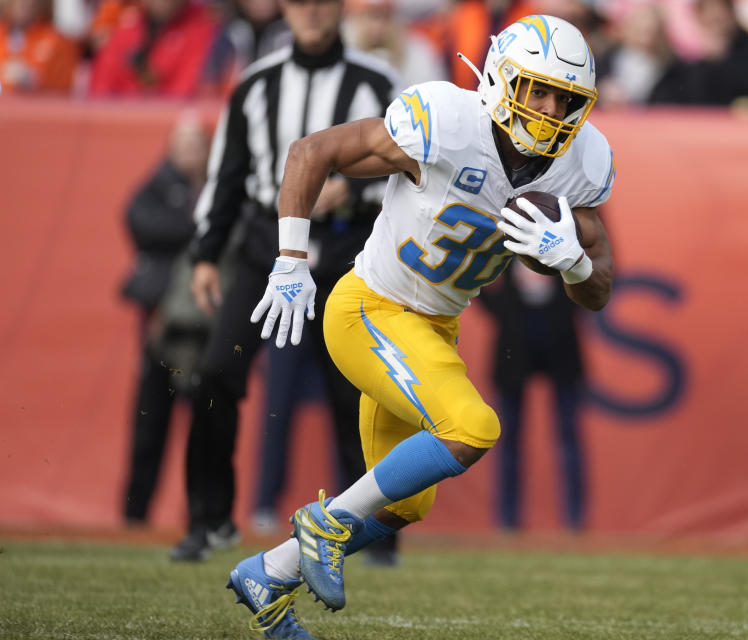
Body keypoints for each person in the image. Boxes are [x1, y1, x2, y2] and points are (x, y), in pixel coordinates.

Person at [227, 14, 615, 638]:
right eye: (536, 90)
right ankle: (321, 526)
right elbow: (311, 152)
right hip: (369, 311)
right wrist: (291, 259)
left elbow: (596, 288)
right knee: (473, 426)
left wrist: (571, 260)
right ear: (500, 80)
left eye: (565, 97)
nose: (549, 109)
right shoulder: (447, 123)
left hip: (434, 330)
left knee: (406, 501)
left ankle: (268, 576)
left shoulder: (580, 165)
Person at [173, 0, 397, 563]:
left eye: (324, 3)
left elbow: (411, 173)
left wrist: (355, 187)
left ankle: (370, 533)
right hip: (263, 251)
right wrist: (206, 254)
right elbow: (228, 172)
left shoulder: (378, 84)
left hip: (347, 252)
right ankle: (209, 517)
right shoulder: (255, 85)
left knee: (357, 394)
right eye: (301, 2)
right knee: (217, 373)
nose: (313, 13)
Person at [120, 115, 212, 525]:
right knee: (149, 422)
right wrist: (195, 227)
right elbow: (138, 220)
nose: (190, 154)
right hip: (161, 326)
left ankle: (201, 515)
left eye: (197, 145)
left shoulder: (216, 188)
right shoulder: (161, 185)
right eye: (184, 145)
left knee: (206, 426)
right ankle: (134, 516)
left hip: (203, 330)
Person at [478, 262, 587, 530]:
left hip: (561, 331)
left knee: (568, 435)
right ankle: (507, 520)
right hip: (514, 333)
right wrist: (501, 309)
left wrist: (575, 305)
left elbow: (600, 261)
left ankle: (576, 520)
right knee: (509, 437)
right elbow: (476, 265)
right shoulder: (501, 219)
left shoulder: (578, 217)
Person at [88, 0, 227, 97]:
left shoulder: (204, 29)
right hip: (119, 125)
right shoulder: (126, 26)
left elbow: (183, 93)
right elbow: (100, 90)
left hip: (169, 127)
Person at [0, 0, 79, 93]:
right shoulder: (3, 34)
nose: (23, 5)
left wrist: (32, 79)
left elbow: (64, 85)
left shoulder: (57, 40)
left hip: (39, 103)